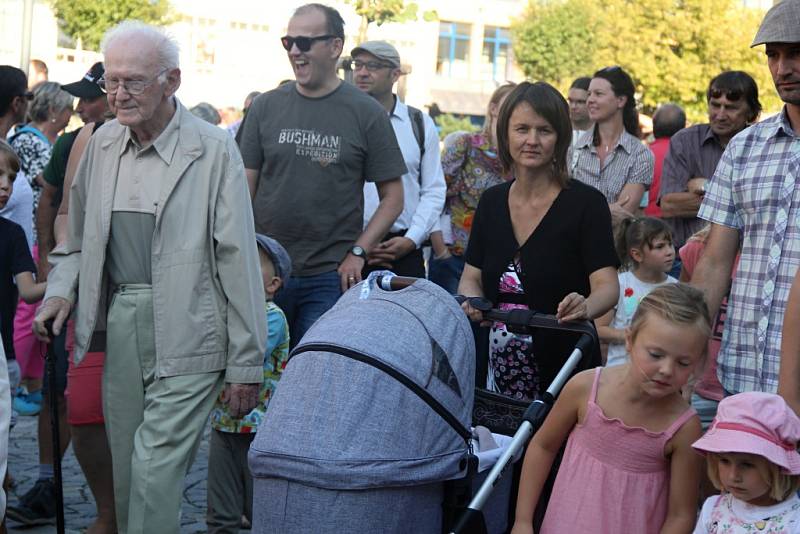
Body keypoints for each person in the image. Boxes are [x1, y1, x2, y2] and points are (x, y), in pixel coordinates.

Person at [31, 21, 266, 534]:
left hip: (192, 322)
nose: (117, 93)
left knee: (155, 465)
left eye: (133, 81)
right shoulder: (101, 143)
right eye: (112, 80)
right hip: (121, 320)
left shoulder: (212, 148)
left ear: (171, 81)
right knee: (127, 466)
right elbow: (76, 242)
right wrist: (57, 293)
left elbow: (237, 258)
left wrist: (246, 361)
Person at [239, 3, 406, 346]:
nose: (295, 51)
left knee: (313, 372)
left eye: (305, 42)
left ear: (334, 47)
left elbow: (394, 198)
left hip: (330, 276)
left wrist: (359, 252)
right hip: (263, 272)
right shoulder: (265, 107)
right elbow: (242, 188)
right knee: (255, 376)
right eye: (289, 42)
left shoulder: (367, 112)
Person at [458, 81, 619, 401]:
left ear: (560, 137)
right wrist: (472, 301)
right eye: (521, 129)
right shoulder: (491, 202)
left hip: (563, 370)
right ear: (505, 134)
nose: (532, 140)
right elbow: (470, 277)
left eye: (544, 130)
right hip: (494, 367)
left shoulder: (586, 204)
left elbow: (607, 287)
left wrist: (585, 306)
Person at [511, 284, 709, 534]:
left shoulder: (683, 427)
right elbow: (543, 446)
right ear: (629, 340)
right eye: (656, 354)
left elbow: (681, 514)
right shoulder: (585, 387)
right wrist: (523, 520)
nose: (667, 370)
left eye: (683, 362)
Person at [8, 63, 113, 530]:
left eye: (90, 97)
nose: (81, 107)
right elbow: (51, 199)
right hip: (73, 284)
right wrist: (51, 264)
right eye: (79, 98)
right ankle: (49, 481)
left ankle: (118, 502)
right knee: (59, 391)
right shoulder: (73, 141)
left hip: (126, 295)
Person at [692, 0, 800, 396]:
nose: (782, 68)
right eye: (773, 55)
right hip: (742, 375)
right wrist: (686, 354)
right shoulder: (744, 147)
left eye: (795, 53)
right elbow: (715, 263)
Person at [206, 234, 290, 534]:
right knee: (220, 508)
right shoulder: (226, 313)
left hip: (258, 428)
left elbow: (247, 349)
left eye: (250, 265)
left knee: (259, 507)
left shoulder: (271, 316)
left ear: (273, 285)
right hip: (222, 423)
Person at [351, 40, 445, 278]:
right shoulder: (340, 120)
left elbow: (433, 190)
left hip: (402, 249)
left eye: (372, 66)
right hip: (348, 250)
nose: (362, 72)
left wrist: (412, 239)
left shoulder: (419, 124)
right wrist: (360, 246)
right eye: (358, 65)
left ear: (395, 74)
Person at [427, 82, 516, 294]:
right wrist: (441, 251)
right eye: (509, 104)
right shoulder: (464, 144)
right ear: (493, 108)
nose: (515, 110)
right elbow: (434, 195)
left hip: (496, 260)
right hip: (454, 255)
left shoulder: (520, 154)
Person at [659, 72, 761, 251]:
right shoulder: (685, 141)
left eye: (731, 108)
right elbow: (669, 205)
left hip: (744, 258)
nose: (720, 115)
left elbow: (762, 205)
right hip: (685, 259)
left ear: (751, 112)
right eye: (715, 105)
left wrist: (706, 186)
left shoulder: (763, 145)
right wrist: (739, 200)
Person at [691, 392, 800, 533]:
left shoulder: (795, 521)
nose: (733, 476)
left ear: (778, 466)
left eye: (747, 465)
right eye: (724, 461)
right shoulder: (713, 509)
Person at [570, 66, 654, 220]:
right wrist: (607, 210)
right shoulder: (573, 148)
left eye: (598, 94)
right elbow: (561, 206)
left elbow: (623, 214)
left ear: (620, 100)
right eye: (589, 94)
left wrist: (580, 211)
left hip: (614, 243)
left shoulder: (640, 154)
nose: (590, 100)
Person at [0, 141, 45, 413]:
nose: (6, 185)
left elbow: (27, 291)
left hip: (4, 355)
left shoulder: (12, 234)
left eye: (12, 178)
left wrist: (67, 282)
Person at [597, 217, 677, 367]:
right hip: (620, 371)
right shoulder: (620, 283)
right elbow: (599, 329)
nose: (670, 252)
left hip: (658, 373)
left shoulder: (675, 288)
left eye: (670, 244)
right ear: (637, 255)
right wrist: (629, 335)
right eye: (660, 247)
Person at [645, 103, 685, 218]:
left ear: (654, 126)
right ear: (683, 127)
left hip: (646, 225)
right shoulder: (689, 156)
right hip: (680, 224)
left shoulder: (641, 155)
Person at [567, 76, 591, 149]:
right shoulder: (559, 130)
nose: (573, 106)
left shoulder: (603, 134)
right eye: (570, 101)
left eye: (580, 102)